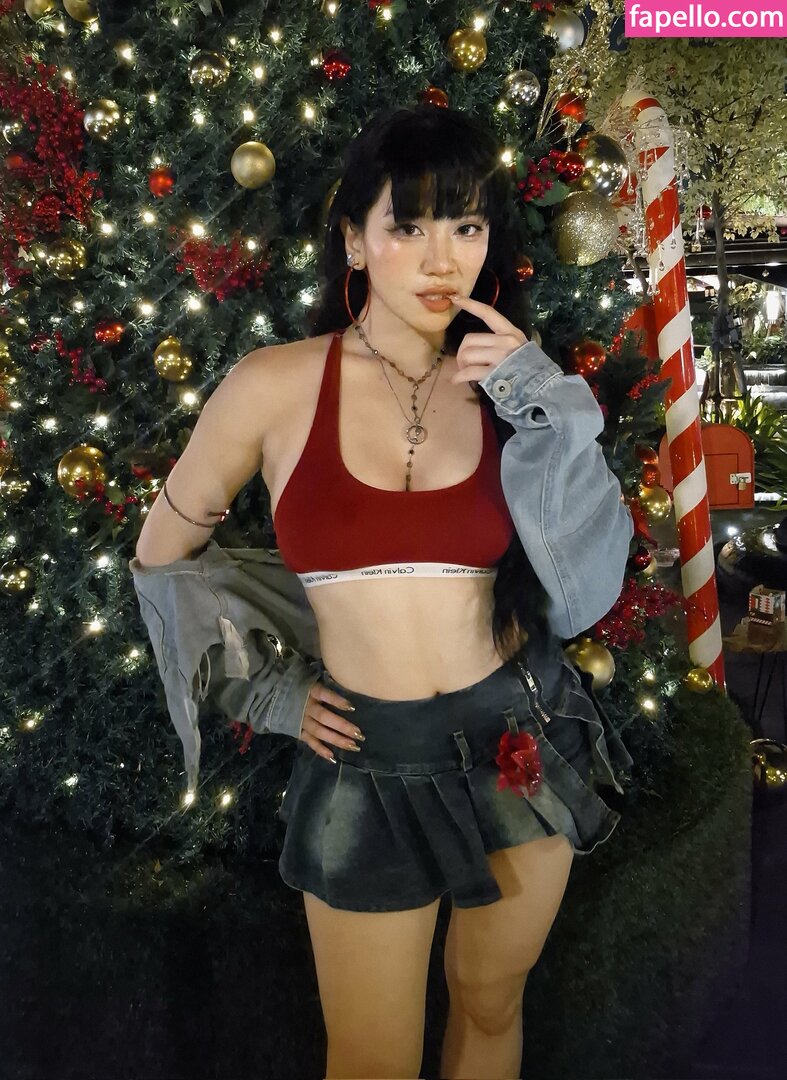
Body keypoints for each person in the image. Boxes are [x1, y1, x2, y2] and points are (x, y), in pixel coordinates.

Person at [130, 105, 635, 1080]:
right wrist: (267, 691)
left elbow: (584, 594)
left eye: (466, 226)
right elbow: (161, 559)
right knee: (370, 1057)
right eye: (408, 226)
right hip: (368, 764)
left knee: (489, 1004)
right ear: (355, 241)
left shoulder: (510, 389)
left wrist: (544, 402)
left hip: (520, 738)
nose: (442, 258)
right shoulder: (272, 386)